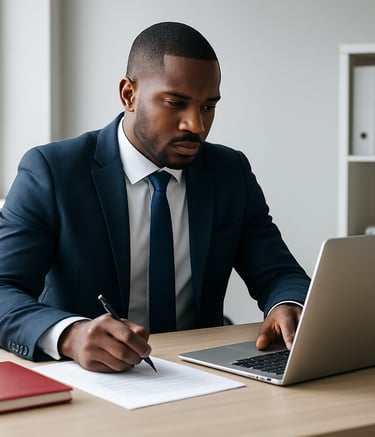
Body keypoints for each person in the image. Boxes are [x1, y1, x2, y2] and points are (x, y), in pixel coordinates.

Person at [0, 22, 310, 373]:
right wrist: (70, 334)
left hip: (202, 373)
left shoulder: (229, 172)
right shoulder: (53, 171)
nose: (196, 124)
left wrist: (287, 305)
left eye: (208, 107)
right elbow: (2, 287)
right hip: (92, 380)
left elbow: (279, 272)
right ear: (129, 95)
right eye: (176, 103)